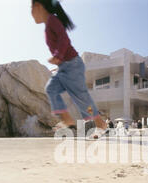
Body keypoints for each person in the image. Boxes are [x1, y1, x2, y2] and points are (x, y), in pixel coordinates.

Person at [31, 0, 107, 139]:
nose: (31, 14)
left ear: (38, 6)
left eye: (31, 9)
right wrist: (58, 61)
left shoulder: (52, 20)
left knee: (83, 100)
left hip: (72, 65)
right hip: (64, 67)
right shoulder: (48, 25)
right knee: (51, 89)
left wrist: (57, 56)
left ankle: (100, 123)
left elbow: (64, 39)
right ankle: (68, 121)